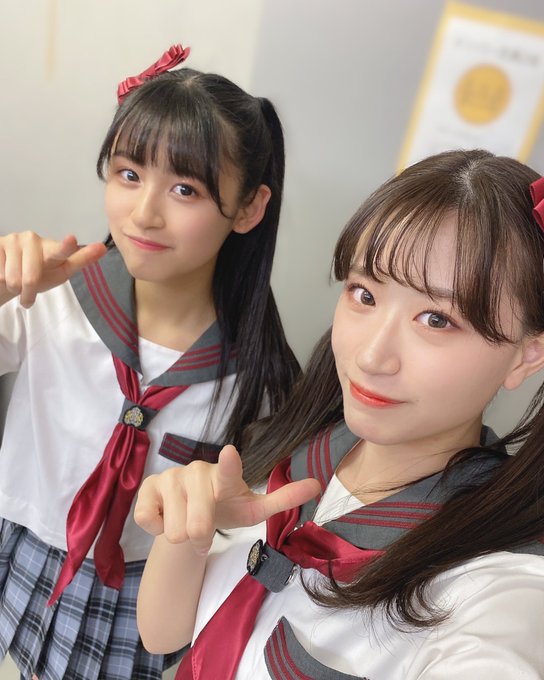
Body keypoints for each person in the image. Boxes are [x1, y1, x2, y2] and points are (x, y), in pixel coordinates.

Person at [135, 149, 544, 679]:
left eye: (436, 319)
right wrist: (187, 536)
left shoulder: (508, 597)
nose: (371, 357)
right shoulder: (290, 453)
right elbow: (164, 636)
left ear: (531, 352)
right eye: (364, 294)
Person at [0, 44, 299, 680]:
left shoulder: (259, 376)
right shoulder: (53, 298)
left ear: (249, 207)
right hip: (19, 543)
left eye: (185, 189)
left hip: (140, 596)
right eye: (128, 173)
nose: (143, 213)